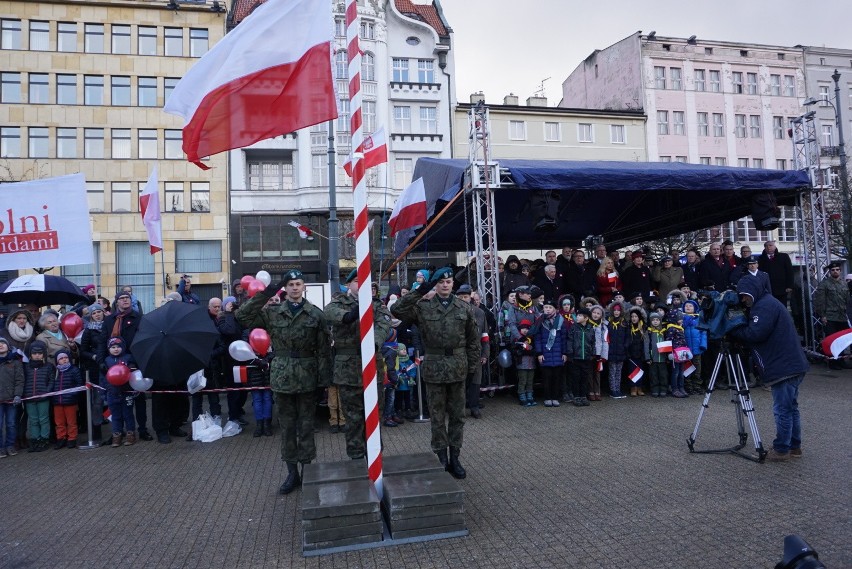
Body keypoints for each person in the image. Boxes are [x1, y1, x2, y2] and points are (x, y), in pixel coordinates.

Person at [236, 269, 331, 495]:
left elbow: (324, 351)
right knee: (288, 428)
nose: (295, 288)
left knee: (306, 426)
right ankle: (292, 473)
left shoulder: (316, 315)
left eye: (298, 283)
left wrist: (323, 382)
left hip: (308, 377)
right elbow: (242, 317)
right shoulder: (272, 312)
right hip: (282, 377)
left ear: (304, 286)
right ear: (285, 288)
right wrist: (266, 294)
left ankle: (308, 471)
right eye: (291, 284)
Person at [391, 267, 479, 479]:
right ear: (435, 284)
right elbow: (396, 310)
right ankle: (441, 455)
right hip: (434, 366)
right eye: (441, 282)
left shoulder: (463, 307)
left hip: (458, 366)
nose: (445, 285)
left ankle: (455, 456)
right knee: (437, 416)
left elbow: (473, 341)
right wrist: (421, 290)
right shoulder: (423, 306)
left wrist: (471, 367)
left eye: (448, 281)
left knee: (457, 416)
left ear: (453, 284)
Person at [730, 274, 809, 461]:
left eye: (744, 295)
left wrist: (734, 330)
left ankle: (782, 449)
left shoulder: (764, 306)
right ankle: (794, 447)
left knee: (783, 409)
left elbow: (756, 333)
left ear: (751, 292)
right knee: (791, 408)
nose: (743, 300)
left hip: (783, 367)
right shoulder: (768, 302)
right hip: (791, 364)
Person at [324, 269, 394, 455]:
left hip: (372, 366)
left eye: (365, 281)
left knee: (374, 416)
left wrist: (373, 344)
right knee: (353, 419)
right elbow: (330, 314)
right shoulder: (339, 302)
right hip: (348, 369)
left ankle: (375, 457)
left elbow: (383, 325)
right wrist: (349, 316)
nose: (361, 285)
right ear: (349, 284)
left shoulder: (377, 305)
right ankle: (356, 458)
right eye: (357, 281)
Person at [100, 291, 153, 442]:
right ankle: (118, 431)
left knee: (139, 400)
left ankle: (142, 429)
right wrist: (102, 362)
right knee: (117, 401)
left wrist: (135, 363)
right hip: (114, 366)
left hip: (134, 363)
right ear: (116, 302)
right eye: (122, 299)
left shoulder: (139, 318)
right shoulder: (110, 320)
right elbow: (103, 342)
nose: (125, 301)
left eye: (127, 298)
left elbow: (144, 340)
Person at [456, 284, 488, 418]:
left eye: (466, 297)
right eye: (461, 297)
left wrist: (485, 353)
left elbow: (485, 335)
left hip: (476, 353)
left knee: (475, 381)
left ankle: (474, 407)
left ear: (471, 297)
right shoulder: (453, 313)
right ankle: (459, 408)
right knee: (460, 382)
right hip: (458, 353)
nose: (464, 299)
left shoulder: (479, 313)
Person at [813, 261, 850, 370]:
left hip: (842, 316)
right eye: (833, 270)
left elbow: (847, 300)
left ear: (840, 271)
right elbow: (820, 301)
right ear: (830, 272)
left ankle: (842, 360)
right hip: (830, 316)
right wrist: (822, 315)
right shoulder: (824, 284)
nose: (835, 271)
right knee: (832, 340)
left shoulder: (844, 284)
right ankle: (833, 362)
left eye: (837, 270)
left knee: (842, 341)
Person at [102, 338, 137, 447]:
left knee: (128, 414)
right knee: (116, 415)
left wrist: (131, 368)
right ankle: (117, 435)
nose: (116, 349)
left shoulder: (128, 358)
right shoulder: (107, 361)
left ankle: (130, 433)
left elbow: (134, 375)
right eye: (113, 347)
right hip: (112, 393)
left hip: (126, 392)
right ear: (109, 349)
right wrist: (107, 389)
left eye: (118, 347)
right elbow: (103, 378)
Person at [535, 298, 568, 407]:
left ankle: (555, 397)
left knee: (556, 378)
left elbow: (564, 338)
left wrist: (564, 353)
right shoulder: (540, 320)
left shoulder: (561, 320)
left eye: (550, 308)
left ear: (555, 309)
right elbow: (538, 338)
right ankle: (547, 397)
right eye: (546, 307)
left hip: (558, 353)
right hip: (545, 354)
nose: (547, 310)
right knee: (546, 378)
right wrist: (539, 353)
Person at [23, 341, 54, 452]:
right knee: (33, 420)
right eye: (34, 353)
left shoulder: (48, 366)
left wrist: (47, 391)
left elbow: (51, 381)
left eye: (40, 353)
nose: (37, 355)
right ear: (30, 354)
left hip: (43, 397)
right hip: (29, 397)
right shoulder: (26, 367)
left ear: (44, 354)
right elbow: (23, 381)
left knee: (43, 419)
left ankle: (44, 439)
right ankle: (35, 439)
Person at [51, 349, 83, 449]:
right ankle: (61, 438)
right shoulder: (55, 371)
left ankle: (72, 438)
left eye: (66, 358)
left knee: (71, 422)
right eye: (61, 358)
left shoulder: (74, 370)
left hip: (70, 401)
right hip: (57, 401)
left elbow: (79, 384)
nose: (64, 360)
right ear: (57, 361)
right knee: (59, 422)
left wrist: (73, 394)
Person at [565, 307, 594, 407]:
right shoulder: (573, 327)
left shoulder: (590, 328)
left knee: (584, 377)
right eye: (577, 315)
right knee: (576, 378)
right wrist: (570, 353)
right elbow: (570, 341)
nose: (577, 317)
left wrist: (592, 354)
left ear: (586, 318)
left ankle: (583, 396)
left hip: (586, 357)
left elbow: (593, 342)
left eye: (580, 315)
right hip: (575, 358)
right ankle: (576, 396)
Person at [0, 337, 24, 457]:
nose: (0, 345)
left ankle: (10, 445)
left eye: (3, 343)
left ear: (8, 346)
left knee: (11, 423)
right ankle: (0, 447)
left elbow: (20, 380)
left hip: (11, 399)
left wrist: (17, 395)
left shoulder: (15, 361)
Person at [757, 240, 794, 306]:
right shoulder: (760, 259)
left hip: (782, 289)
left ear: (775, 247)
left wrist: (789, 286)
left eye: (770, 245)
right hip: (767, 289)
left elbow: (789, 271)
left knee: (781, 307)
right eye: (766, 246)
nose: (768, 247)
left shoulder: (783, 256)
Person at [606, 301, 629, 399]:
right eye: (614, 310)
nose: (616, 312)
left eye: (618, 310)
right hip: (611, 351)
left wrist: (625, 346)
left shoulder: (624, 322)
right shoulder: (609, 322)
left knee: (618, 372)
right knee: (612, 371)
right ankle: (612, 390)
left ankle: (618, 389)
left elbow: (627, 337)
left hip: (621, 351)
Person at [512, 319, 537, 406]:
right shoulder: (517, 339)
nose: (525, 330)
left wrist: (529, 351)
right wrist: (522, 351)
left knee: (530, 381)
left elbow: (534, 350)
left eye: (527, 329)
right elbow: (515, 351)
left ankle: (530, 396)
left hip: (531, 364)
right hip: (522, 364)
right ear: (520, 329)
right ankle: (522, 397)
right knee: (523, 381)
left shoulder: (532, 339)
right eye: (523, 329)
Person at [646, 312, 669, 397]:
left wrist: (667, 356)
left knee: (663, 375)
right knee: (653, 375)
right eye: (653, 320)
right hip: (653, 359)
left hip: (662, 358)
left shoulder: (664, 332)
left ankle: (663, 389)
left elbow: (667, 343)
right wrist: (648, 357)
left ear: (660, 321)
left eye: (657, 320)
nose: (655, 322)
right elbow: (646, 345)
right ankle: (654, 389)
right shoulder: (648, 332)